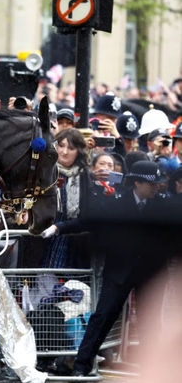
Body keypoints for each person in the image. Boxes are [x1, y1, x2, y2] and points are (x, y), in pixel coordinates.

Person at [44, 161, 170, 377]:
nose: (156, 187)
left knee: (151, 322)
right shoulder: (118, 203)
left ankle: (154, 369)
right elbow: (91, 221)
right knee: (102, 317)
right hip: (120, 270)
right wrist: (59, 228)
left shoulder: (161, 205)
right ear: (137, 182)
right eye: (151, 184)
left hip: (149, 272)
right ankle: (82, 366)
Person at [42, 128, 92, 269]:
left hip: (72, 238)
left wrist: (61, 228)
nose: (64, 152)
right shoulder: (45, 170)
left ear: (79, 152)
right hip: (44, 237)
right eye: (61, 146)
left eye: (71, 148)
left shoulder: (84, 175)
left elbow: (87, 213)